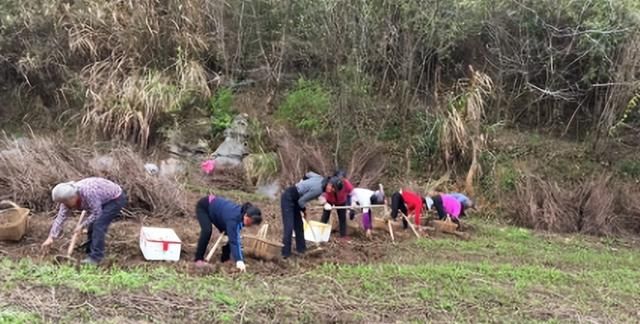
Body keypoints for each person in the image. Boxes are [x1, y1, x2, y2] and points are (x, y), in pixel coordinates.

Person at [41, 177, 127, 265]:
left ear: (73, 197)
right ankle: (90, 250)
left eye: (66, 202)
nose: (64, 205)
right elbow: (60, 218)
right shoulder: (66, 201)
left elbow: (97, 213)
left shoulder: (88, 194)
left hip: (115, 199)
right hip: (100, 198)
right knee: (92, 225)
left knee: (98, 225)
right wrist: (51, 237)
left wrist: (82, 226)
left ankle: (96, 258)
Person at [194, 194, 262, 272]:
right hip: (205, 206)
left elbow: (233, 235)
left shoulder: (242, 215)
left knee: (229, 234)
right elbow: (234, 241)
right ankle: (198, 259)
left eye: (250, 224)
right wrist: (239, 260)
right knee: (207, 230)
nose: (248, 224)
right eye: (248, 221)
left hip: (219, 214)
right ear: (246, 215)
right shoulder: (233, 218)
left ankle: (225, 259)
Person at [281, 173, 341, 258]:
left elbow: (308, 174)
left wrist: (303, 181)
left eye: (334, 190)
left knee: (299, 226)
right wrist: (305, 211)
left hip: (296, 198)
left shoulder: (320, 177)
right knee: (289, 226)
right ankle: (285, 254)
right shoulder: (318, 189)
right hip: (288, 197)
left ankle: (301, 250)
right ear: (329, 183)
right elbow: (301, 202)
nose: (331, 190)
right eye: (332, 188)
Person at [320, 170, 353, 240]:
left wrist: (351, 206)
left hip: (341, 201)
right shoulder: (328, 183)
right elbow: (322, 194)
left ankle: (343, 235)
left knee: (342, 218)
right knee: (325, 216)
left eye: (342, 178)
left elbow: (351, 193)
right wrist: (324, 203)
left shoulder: (346, 183)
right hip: (329, 200)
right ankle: (320, 232)